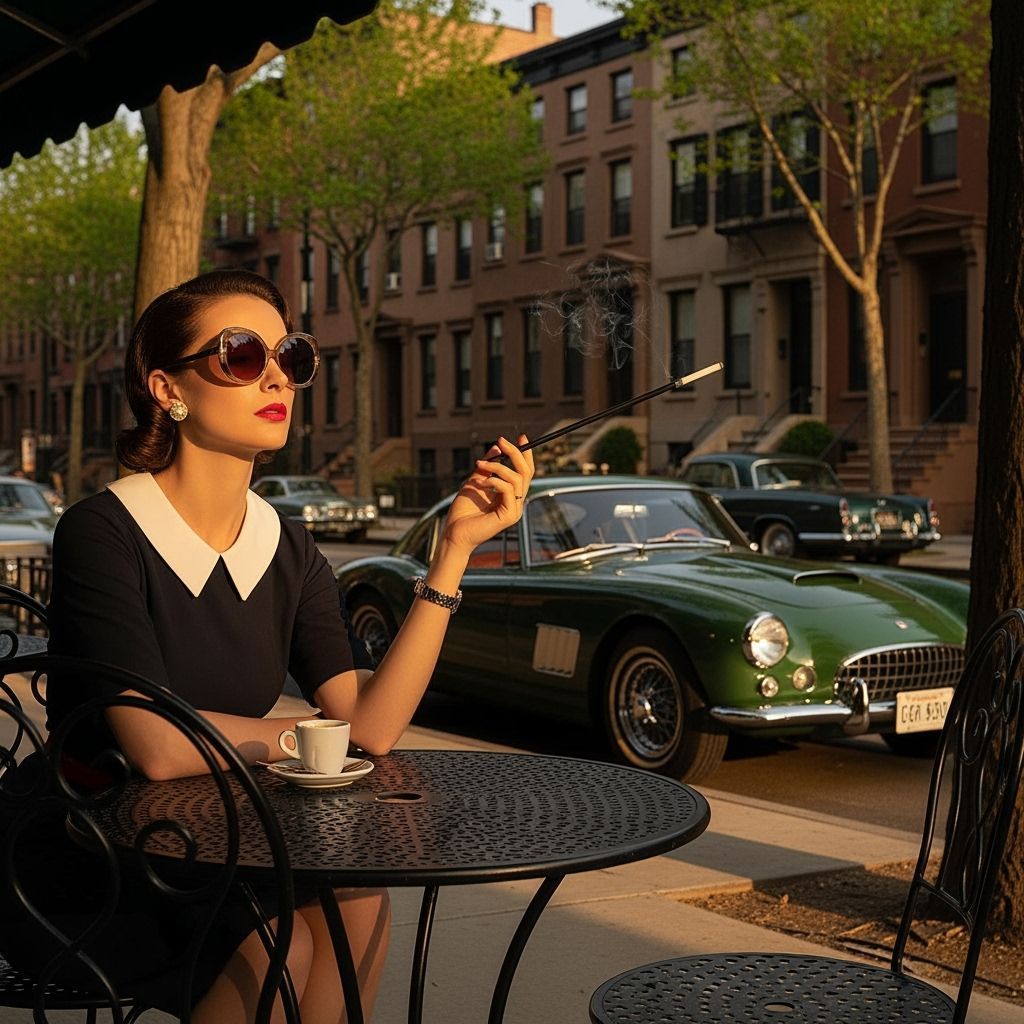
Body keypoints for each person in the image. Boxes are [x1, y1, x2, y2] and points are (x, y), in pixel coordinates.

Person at [17, 268, 534, 1022]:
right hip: (91, 845)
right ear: (168, 388)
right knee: (277, 955)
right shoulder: (103, 531)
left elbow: (371, 726)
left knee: (360, 905)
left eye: (290, 356)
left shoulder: (286, 546)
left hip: (231, 832)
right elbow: (157, 746)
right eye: (241, 355)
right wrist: (314, 736)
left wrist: (452, 554)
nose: (278, 378)